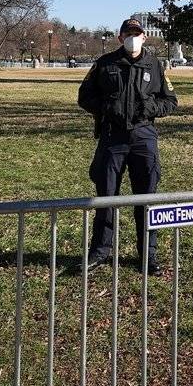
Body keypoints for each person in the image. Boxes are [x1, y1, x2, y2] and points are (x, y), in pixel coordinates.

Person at [77, 17, 178, 275]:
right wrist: (106, 108)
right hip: (113, 138)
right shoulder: (105, 63)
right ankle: (100, 252)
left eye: (137, 33)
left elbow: (171, 101)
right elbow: (84, 96)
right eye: (128, 33)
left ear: (144, 37)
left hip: (144, 137)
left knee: (146, 198)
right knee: (106, 196)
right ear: (120, 37)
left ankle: (148, 256)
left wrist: (151, 107)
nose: (133, 37)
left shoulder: (154, 65)